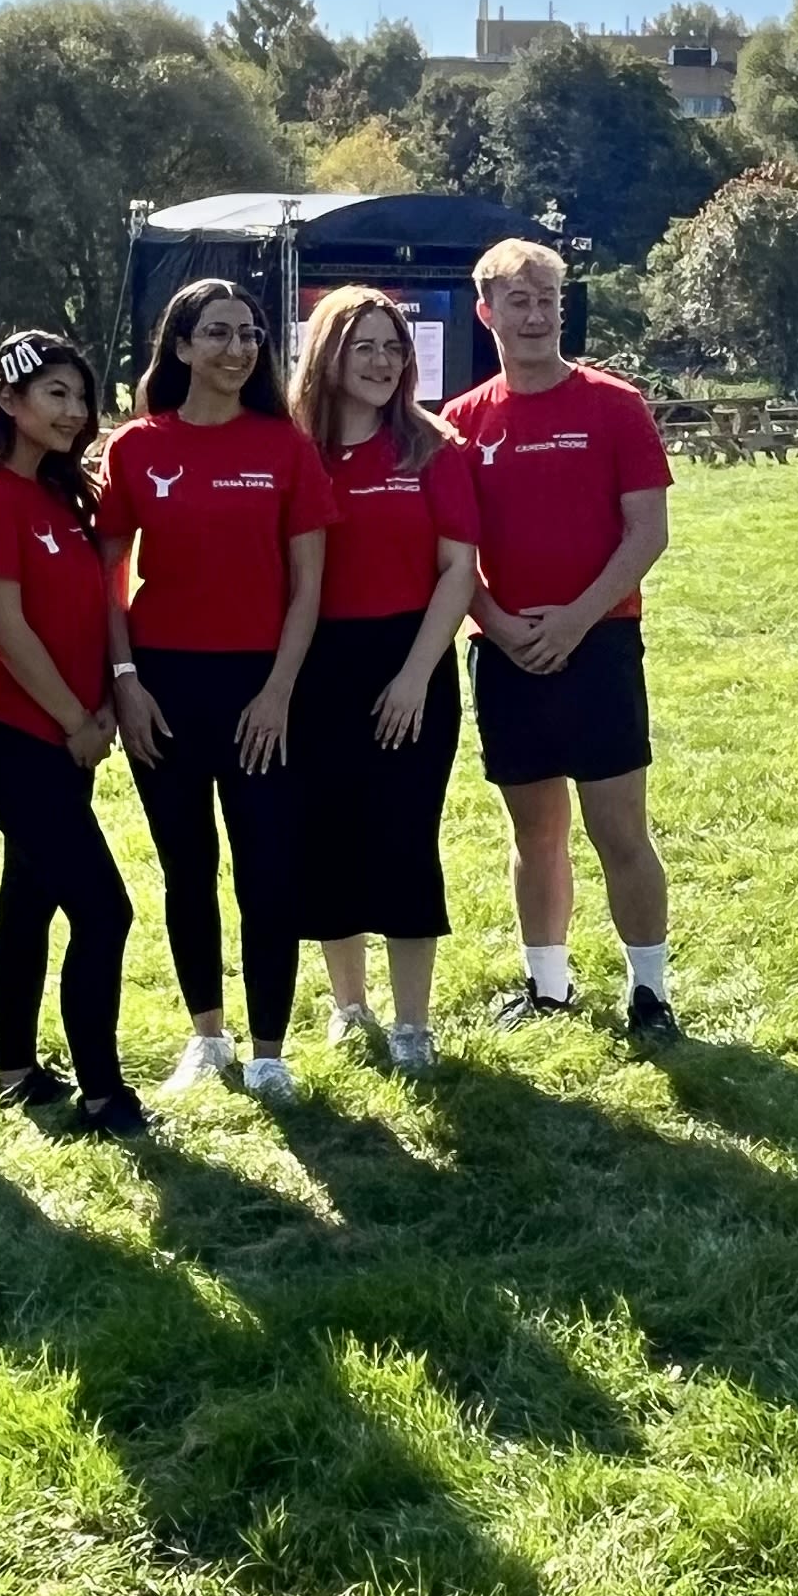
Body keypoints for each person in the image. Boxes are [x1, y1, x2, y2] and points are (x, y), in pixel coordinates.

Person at [98, 279, 335, 1104]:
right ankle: (208, 1037)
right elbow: (110, 578)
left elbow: (308, 588)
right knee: (185, 868)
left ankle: (269, 1051)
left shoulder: (285, 448)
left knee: (269, 870)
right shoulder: (134, 448)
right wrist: (126, 683)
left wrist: (278, 693)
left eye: (251, 334)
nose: (238, 350)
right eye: (219, 334)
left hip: (262, 688)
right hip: (162, 685)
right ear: (183, 346)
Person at [446, 236, 679, 1039]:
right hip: (506, 654)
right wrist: (500, 625)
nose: (539, 316)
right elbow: (446, 557)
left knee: (620, 829)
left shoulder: (615, 405)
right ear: (487, 314)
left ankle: (651, 994)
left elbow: (647, 532)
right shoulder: (462, 423)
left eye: (548, 300)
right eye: (520, 301)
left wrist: (577, 618)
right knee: (534, 831)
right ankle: (548, 986)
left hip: (603, 647)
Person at [0, 329, 147, 1137]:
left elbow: (93, 607)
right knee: (105, 911)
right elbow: (3, 620)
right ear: (8, 401)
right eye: (55, 395)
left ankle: (15, 1070)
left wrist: (102, 703)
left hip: (73, 738)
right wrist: (74, 719)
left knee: (27, 903)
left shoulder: (69, 497)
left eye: (80, 395)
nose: (73, 411)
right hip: (15, 740)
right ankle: (103, 1095)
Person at [288, 285, 483, 1073]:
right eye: (363, 344)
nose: (380, 361)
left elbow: (458, 571)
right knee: (327, 836)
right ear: (327, 352)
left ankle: (412, 1024)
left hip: (413, 662)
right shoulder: (290, 449)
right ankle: (348, 1006)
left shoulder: (433, 447)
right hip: (316, 664)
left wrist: (413, 677)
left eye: (393, 347)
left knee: (403, 837)